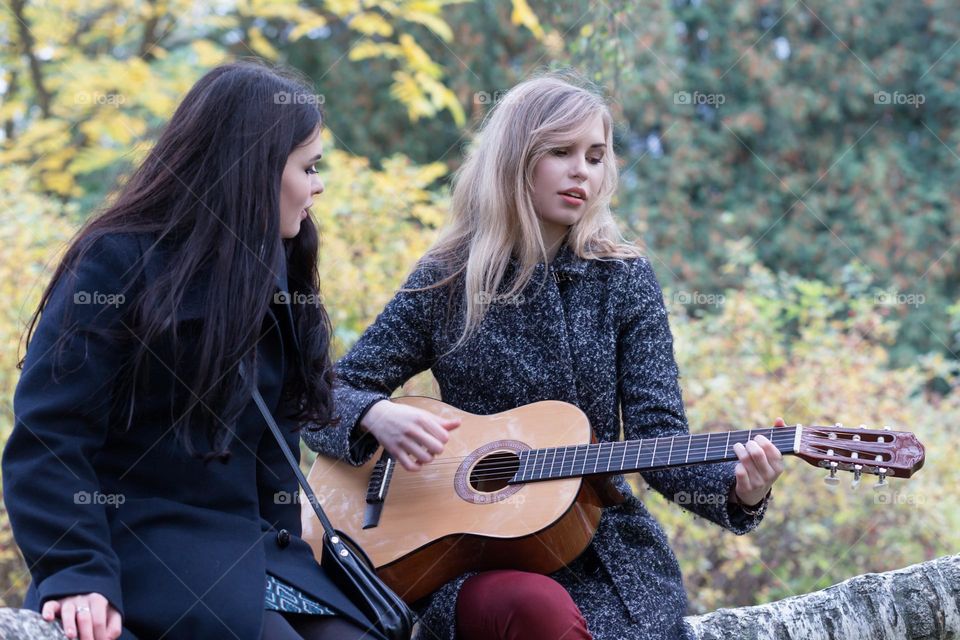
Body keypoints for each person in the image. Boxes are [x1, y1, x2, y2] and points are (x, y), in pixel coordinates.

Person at [304, 73, 785, 640]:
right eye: (562, 152)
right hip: (469, 555)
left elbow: (660, 441)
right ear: (515, 159)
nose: (583, 170)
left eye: (597, 156)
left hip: (603, 552)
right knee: (534, 610)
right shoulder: (448, 280)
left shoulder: (624, 279)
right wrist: (375, 415)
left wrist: (738, 488)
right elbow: (323, 397)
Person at [2, 60, 385, 640]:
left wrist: (292, 565)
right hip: (140, 551)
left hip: (257, 560)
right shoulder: (115, 261)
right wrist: (77, 571)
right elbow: (50, 438)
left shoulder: (275, 268)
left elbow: (273, 461)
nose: (318, 185)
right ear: (253, 170)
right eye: (308, 167)